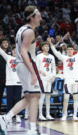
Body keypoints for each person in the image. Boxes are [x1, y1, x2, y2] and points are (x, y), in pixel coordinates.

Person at [0, 6, 42, 135]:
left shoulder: (21, 29)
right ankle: (32, 129)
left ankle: (6, 118)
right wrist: (34, 72)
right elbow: (24, 52)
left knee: (30, 97)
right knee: (35, 96)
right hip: (26, 65)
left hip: (20, 65)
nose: (40, 18)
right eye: (38, 15)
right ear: (32, 17)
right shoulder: (29, 32)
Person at [49, 35, 78, 121]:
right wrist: (51, 44)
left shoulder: (77, 56)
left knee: (75, 98)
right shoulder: (64, 58)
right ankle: (65, 114)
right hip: (67, 80)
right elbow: (56, 52)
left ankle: (75, 115)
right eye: (68, 49)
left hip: (76, 80)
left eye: (71, 49)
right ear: (66, 51)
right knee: (66, 98)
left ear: (73, 50)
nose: (70, 51)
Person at [0, 47, 22, 123]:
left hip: (19, 83)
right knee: (9, 100)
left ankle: (18, 116)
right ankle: (9, 116)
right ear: (12, 51)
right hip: (9, 83)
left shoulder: (22, 60)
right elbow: (1, 52)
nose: (16, 52)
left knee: (18, 100)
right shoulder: (8, 57)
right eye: (14, 50)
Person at [36, 42, 56, 121]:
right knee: (42, 97)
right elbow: (36, 68)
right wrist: (41, 72)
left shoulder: (52, 57)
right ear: (42, 47)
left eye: (48, 46)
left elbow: (54, 67)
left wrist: (53, 76)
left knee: (48, 97)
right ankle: (40, 115)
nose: (47, 47)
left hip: (49, 78)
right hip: (42, 79)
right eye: (45, 46)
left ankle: (48, 114)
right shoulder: (39, 56)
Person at [0, 38, 10, 113]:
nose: (6, 44)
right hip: (1, 77)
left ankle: (11, 112)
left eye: (7, 42)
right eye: (4, 42)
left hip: (10, 77)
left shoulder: (11, 52)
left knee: (11, 95)